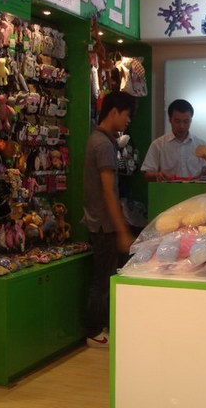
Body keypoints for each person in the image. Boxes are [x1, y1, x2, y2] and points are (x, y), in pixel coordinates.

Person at [82, 91, 137, 347]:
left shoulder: (99, 139)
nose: (128, 120)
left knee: (103, 278)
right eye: (127, 115)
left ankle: (101, 327)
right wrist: (121, 230)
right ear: (114, 111)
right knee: (102, 280)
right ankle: (94, 331)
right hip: (103, 225)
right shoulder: (103, 145)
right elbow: (108, 191)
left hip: (99, 222)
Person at [141, 99, 206, 181]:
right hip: (167, 188)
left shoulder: (201, 145)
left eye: (186, 121)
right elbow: (147, 173)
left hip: (195, 188)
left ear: (191, 121)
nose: (182, 126)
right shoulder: (158, 145)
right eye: (177, 121)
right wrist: (156, 175)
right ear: (170, 120)